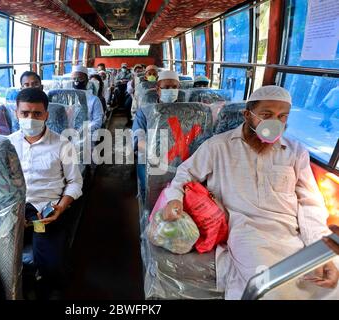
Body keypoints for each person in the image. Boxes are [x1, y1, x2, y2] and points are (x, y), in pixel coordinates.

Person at [162, 85, 339, 299]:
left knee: (329, 287)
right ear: (248, 115)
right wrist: (174, 199)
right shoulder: (219, 146)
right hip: (247, 232)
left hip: (292, 233)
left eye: (282, 117)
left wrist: (318, 246)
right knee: (273, 291)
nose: (276, 122)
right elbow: (185, 173)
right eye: (267, 115)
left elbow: (310, 202)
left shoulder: (296, 151)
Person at [9, 88, 83, 299]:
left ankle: (49, 289)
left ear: (46, 115)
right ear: (16, 113)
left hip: (46, 210)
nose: (30, 118)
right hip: (16, 208)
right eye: (25, 113)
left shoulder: (62, 144)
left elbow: (75, 181)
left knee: (50, 261)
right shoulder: (8, 144)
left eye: (37, 113)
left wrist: (61, 207)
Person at [133, 70, 180, 200]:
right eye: (166, 87)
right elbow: (138, 137)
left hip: (181, 157)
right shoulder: (145, 111)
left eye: (174, 87)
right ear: (157, 89)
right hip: (151, 156)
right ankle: (147, 206)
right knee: (149, 188)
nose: (171, 90)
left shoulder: (188, 110)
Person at [71, 65, 104, 135]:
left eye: (80, 79)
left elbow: (97, 121)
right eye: (74, 79)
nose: (76, 81)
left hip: (87, 133)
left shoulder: (94, 100)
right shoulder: (68, 98)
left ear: (86, 81)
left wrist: (83, 130)